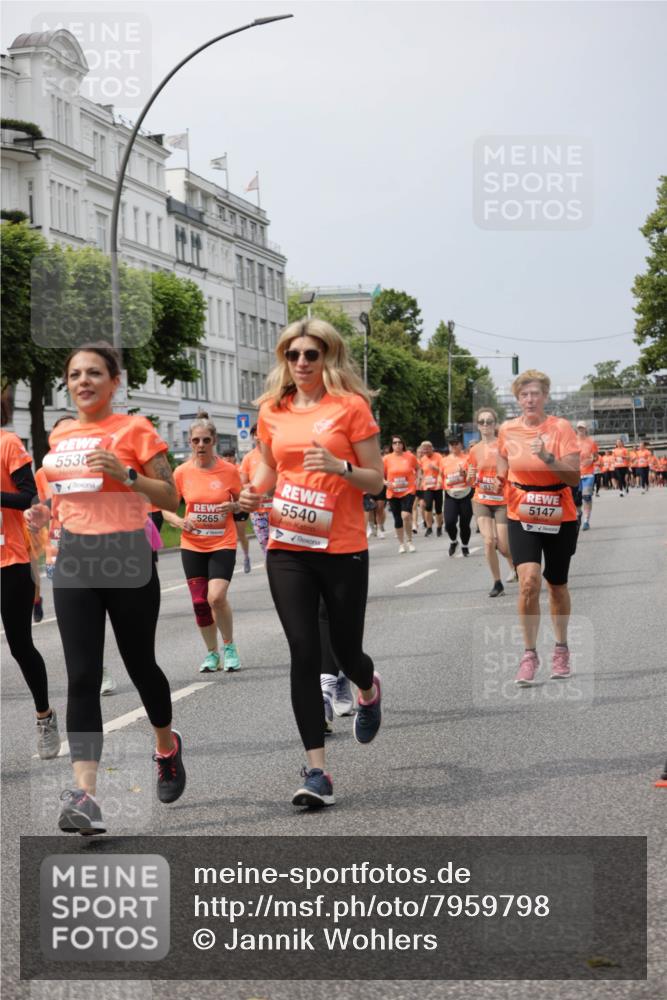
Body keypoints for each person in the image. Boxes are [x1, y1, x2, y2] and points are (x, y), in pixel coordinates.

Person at [25, 343, 185, 834]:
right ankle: (87, 795)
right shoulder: (61, 433)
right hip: (75, 557)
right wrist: (40, 514)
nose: (83, 381)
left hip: (127, 556)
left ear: (115, 382)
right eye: (75, 374)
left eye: (95, 372)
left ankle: (166, 745)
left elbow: (172, 493)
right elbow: (58, 496)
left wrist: (129, 475)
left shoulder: (135, 430)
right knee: (80, 676)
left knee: (140, 665)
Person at [239, 318, 384, 809]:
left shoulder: (350, 408)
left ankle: (366, 687)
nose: (301, 363)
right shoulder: (271, 411)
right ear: (284, 359)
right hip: (288, 545)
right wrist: (252, 494)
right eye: (293, 355)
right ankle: (317, 771)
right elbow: (267, 467)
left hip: (342, 547)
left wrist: (341, 468)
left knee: (345, 650)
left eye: (311, 355)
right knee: (303, 650)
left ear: (328, 358)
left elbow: (377, 482)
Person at [497, 369, 580, 686]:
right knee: (528, 581)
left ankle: (561, 648)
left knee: (556, 584)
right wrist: (503, 482)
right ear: (518, 399)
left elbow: (573, 477)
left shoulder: (560, 428)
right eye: (524, 394)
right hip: (523, 513)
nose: (530, 399)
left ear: (545, 396)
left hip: (559, 510)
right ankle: (529, 654)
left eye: (535, 393)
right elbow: (502, 459)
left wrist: (547, 457)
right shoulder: (508, 429)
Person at [35, 415, 117, 697]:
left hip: (89, 549)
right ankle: (85, 671)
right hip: (56, 552)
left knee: (92, 617)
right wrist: (35, 516)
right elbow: (45, 507)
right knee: (71, 622)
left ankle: (100, 669)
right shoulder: (43, 472)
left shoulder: (90, 467)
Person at [1, 388, 61, 760]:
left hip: (9, 560)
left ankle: (45, 716)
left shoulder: (8, 443)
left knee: (20, 645)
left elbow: (27, 497)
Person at [164, 412, 242, 673]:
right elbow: (165, 507)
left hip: (222, 542)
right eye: (196, 440)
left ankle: (229, 646)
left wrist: (233, 505)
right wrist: (177, 522)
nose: (200, 445)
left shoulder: (229, 471)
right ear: (189, 441)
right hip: (193, 544)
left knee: (216, 597)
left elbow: (245, 504)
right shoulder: (181, 472)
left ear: (214, 441)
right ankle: (212, 654)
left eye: (206, 440)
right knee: (199, 602)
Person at [467, 408, 515, 596]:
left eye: (489, 421)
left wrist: (502, 478)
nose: (485, 425)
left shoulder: (503, 446)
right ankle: (497, 583)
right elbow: (471, 480)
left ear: (495, 424)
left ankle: (516, 565)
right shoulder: (474, 450)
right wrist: (470, 477)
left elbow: (514, 470)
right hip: (482, 500)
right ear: (477, 425)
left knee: (503, 546)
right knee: (489, 541)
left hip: (502, 499)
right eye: (481, 422)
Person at [239, 425, 273, 558]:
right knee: (267, 550)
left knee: (279, 548)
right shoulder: (248, 457)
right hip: (258, 512)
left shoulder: (274, 454)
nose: (258, 437)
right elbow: (243, 483)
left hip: (277, 510)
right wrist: (254, 489)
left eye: (261, 434)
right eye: (255, 434)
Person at [383, 435, 418, 554]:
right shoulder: (387, 458)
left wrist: (418, 479)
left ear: (403, 444)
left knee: (406, 516)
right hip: (393, 492)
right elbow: (379, 473)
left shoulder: (410, 457)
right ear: (391, 445)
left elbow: (419, 469)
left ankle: (409, 541)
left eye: (399, 443)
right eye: (394, 443)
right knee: (397, 519)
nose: (397, 445)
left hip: (408, 490)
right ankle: (401, 544)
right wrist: (385, 482)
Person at [222, 447, 251, 573]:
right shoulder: (220, 470)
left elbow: (244, 485)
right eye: (226, 456)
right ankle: (228, 560)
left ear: (234, 457)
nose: (228, 458)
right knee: (227, 535)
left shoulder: (239, 469)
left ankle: (246, 556)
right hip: (226, 506)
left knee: (240, 534)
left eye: (230, 456)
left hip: (240, 505)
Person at [441, 436, 472, 556]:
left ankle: (465, 545)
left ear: (461, 445)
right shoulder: (444, 460)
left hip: (465, 493)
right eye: (451, 444)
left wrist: (463, 473)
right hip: (450, 494)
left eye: (456, 443)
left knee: (464, 523)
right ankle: (453, 541)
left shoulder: (468, 458)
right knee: (449, 522)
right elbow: (441, 475)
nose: (454, 446)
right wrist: (440, 482)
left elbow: (472, 475)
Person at [575, 421, 599, 531]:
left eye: (582, 428)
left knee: (587, 496)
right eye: (579, 428)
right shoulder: (572, 441)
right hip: (575, 474)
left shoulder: (591, 442)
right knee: (576, 500)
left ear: (586, 429)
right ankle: (578, 514)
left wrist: (591, 460)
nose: (580, 430)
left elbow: (596, 457)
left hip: (588, 474)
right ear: (576, 429)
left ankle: (586, 521)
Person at [418, 441, 444, 537]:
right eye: (423, 449)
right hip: (427, 486)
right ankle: (429, 527)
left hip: (437, 486)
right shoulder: (423, 459)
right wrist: (420, 480)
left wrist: (435, 468)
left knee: (438, 509)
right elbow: (420, 471)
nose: (425, 450)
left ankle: (439, 527)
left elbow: (443, 470)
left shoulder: (438, 456)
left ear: (431, 448)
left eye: (427, 448)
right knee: (428, 506)